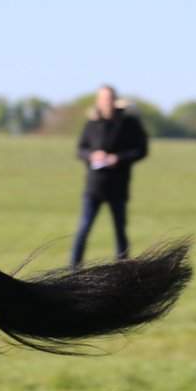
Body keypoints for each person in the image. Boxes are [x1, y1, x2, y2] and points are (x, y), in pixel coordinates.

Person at [69, 84, 149, 268]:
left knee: (120, 230)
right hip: (94, 186)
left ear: (115, 100)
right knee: (84, 228)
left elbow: (141, 150)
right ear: (98, 101)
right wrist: (92, 155)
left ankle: (123, 267)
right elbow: (81, 149)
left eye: (110, 98)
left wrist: (118, 158)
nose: (107, 102)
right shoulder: (92, 123)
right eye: (103, 99)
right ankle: (73, 268)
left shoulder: (129, 124)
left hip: (118, 185)